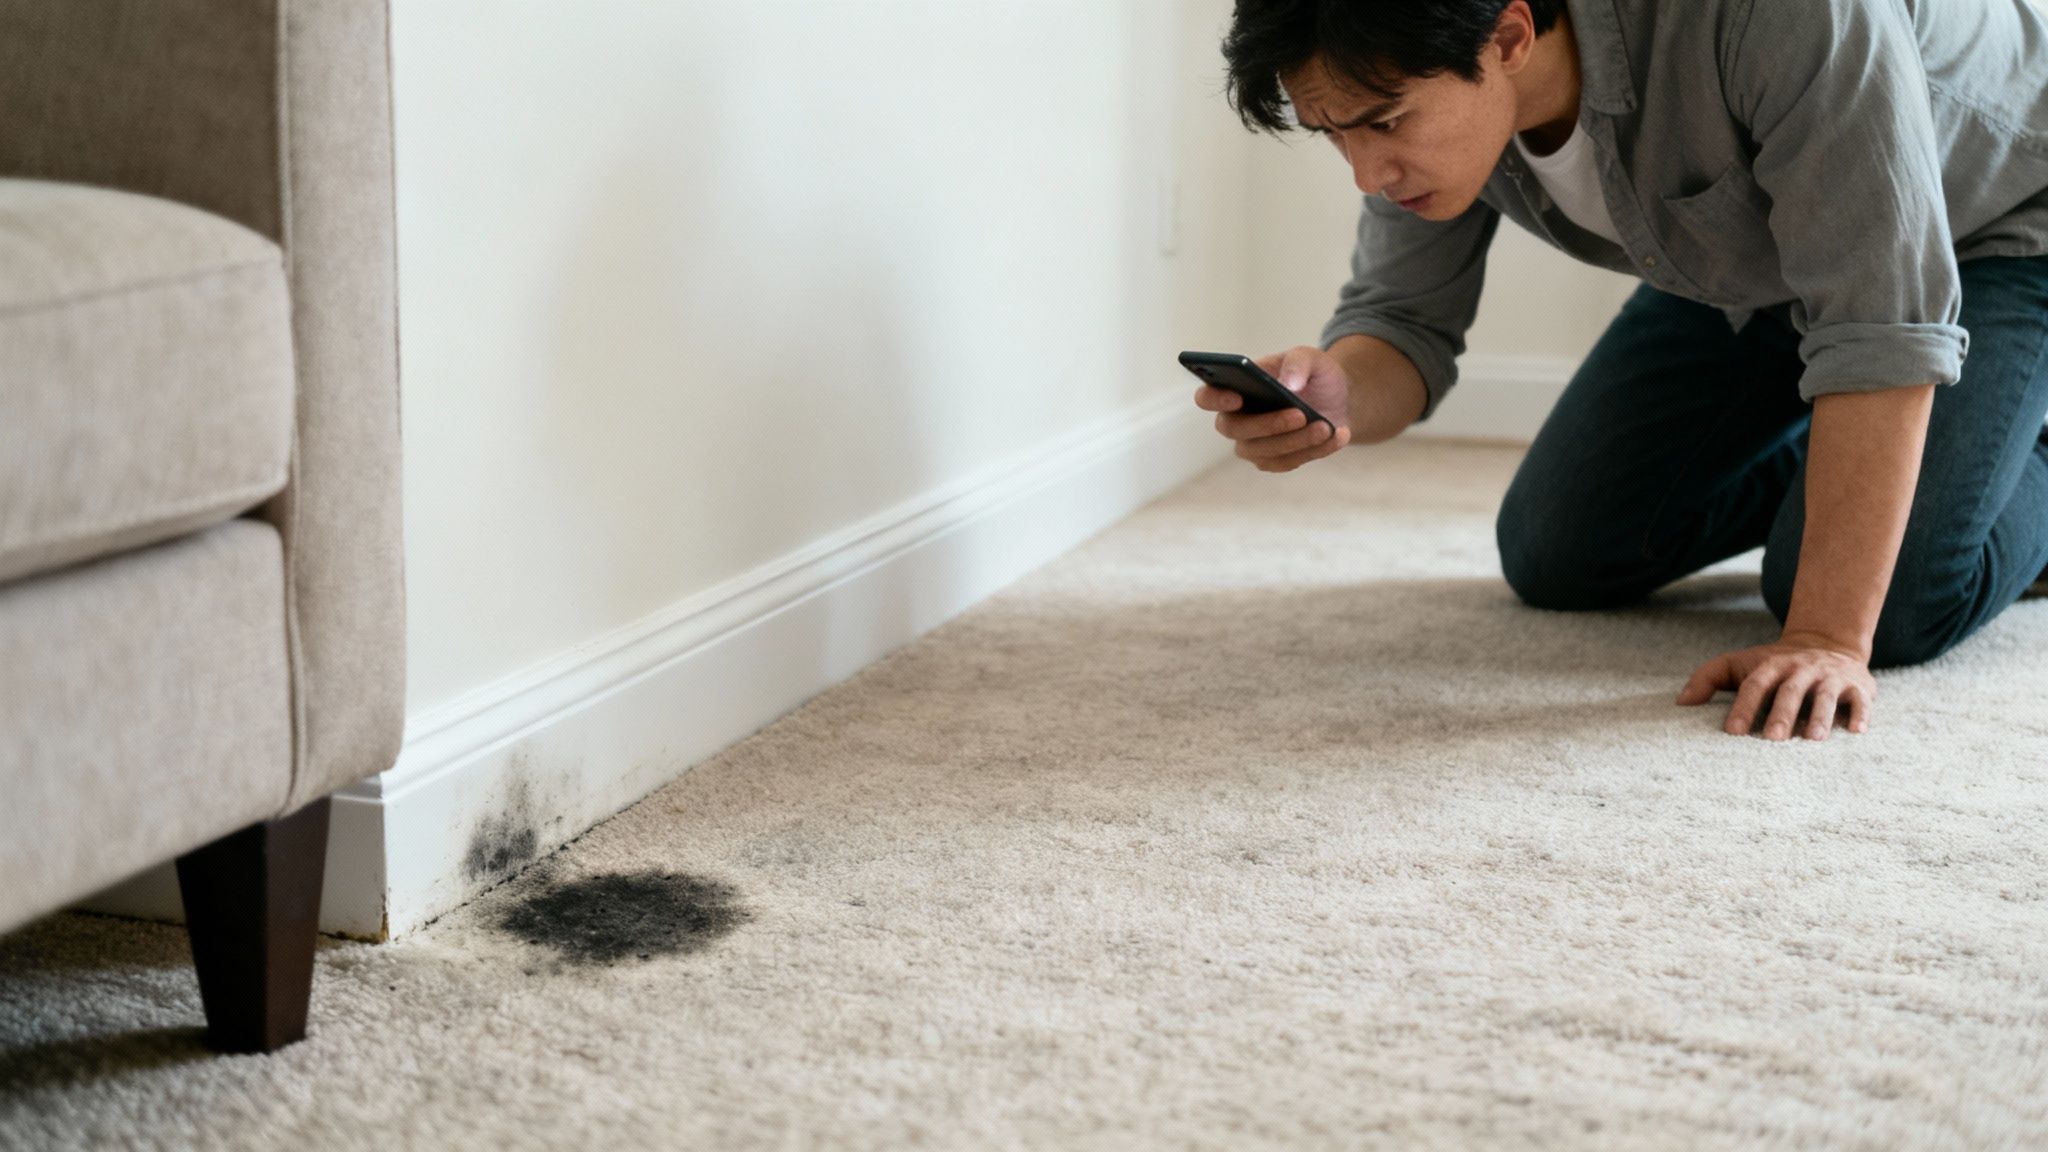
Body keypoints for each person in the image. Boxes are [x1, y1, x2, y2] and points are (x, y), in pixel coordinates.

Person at [1197, 0, 2048, 742]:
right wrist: (1336, 395)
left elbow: (1879, 320)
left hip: (1995, 225)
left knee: (1881, 606)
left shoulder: (1776, 12)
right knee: (1559, 551)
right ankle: (1896, 473)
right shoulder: (1422, 79)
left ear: (1509, 36)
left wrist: (1825, 634)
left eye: (1384, 123)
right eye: (1332, 132)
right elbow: (1400, 325)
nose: (1366, 172)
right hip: (1749, 265)